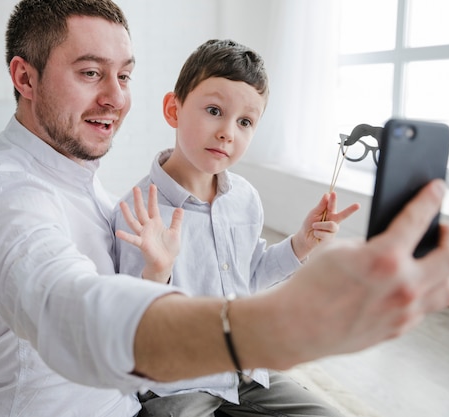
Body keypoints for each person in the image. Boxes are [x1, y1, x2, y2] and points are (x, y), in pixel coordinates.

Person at [0, 1, 449, 416]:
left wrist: (297, 250)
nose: (116, 98)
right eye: (90, 73)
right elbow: (71, 312)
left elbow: (241, 270)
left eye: (124, 76)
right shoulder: (6, 199)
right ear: (25, 79)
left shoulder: (74, 176)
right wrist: (283, 325)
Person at [111, 39, 359, 417]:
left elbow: (251, 274)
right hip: (177, 383)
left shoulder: (244, 197)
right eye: (214, 110)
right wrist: (157, 274)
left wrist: (300, 244)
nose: (228, 131)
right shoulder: (138, 209)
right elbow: (132, 324)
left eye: (245, 122)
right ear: (172, 109)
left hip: (245, 371)